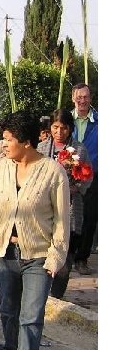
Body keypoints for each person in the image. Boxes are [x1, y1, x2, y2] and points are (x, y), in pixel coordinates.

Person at [0, 110, 70, 350]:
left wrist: (55, 258)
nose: (3, 145)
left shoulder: (53, 172)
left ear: (26, 142)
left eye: (8, 140)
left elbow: (62, 221)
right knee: (8, 311)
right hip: (5, 253)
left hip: (39, 257)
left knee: (31, 317)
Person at [37, 108, 93, 299]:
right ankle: (41, 295)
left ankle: (56, 296)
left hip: (69, 210)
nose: (59, 132)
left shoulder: (79, 149)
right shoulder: (41, 149)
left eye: (63, 128)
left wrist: (76, 187)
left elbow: (88, 177)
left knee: (64, 261)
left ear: (70, 129)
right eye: (55, 127)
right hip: (44, 211)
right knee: (43, 256)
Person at [70, 83, 98, 275]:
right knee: (68, 215)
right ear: (73, 98)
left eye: (85, 97)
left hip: (92, 174)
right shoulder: (65, 120)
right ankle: (67, 255)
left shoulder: (99, 121)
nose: (82, 100)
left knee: (89, 216)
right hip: (68, 175)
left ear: (90, 98)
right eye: (79, 97)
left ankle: (82, 258)